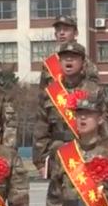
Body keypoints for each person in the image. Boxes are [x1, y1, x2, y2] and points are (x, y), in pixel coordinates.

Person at [33, 42, 103, 177]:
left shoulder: (94, 90)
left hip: (88, 154)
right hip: (58, 154)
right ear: (60, 62)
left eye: (74, 57)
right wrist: (40, 162)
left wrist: (106, 153)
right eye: (65, 57)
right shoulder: (50, 92)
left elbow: (104, 124)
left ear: (83, 62)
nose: (69, 60)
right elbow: (41, 127)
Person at [39, 15, 100, 89]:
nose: (61, 33)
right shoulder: (50, 62)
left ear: (76, 33)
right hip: (57, 96)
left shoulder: (84, 60)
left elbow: (94, 88)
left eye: (66, 29)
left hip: (80, 96)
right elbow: (43, 90)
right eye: (58, 30)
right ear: (55, 34)